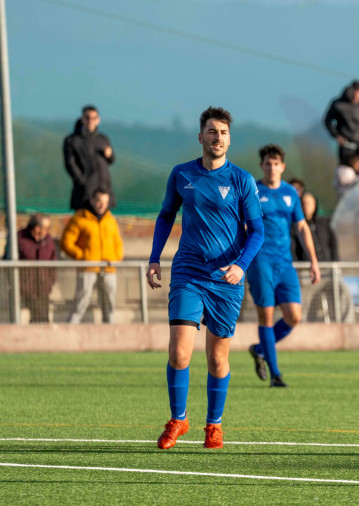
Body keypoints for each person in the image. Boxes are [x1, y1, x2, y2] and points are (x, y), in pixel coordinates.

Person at [146, 107, 264, 451]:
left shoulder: (242, 180)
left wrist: (241, 265)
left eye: (224, 132)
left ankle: (213, 426)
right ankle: (178, 419)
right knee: (180, 352)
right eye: (212, 132)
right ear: (201, 137)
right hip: (189, 273)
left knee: (217, 358)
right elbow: (166, 215)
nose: (218, 138)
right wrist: (154, 258)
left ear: (230, 138)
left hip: (227, 280)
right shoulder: (182, 174)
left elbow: (257, 230)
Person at [246, 144, 321, 388]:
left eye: (276, 163)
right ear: (261, 166)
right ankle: (276, 374)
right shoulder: (254, 191)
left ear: (283, 166)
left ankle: (259, 350)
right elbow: (244, 226)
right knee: (266, 318)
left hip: (285, 263)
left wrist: (313, 261)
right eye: (267, 163)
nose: (272, 167)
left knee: (294, 316)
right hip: (261, 262)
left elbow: (301, 227)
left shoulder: (290, 193)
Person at [61, 188, 124, 324]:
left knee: (109, 304)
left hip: (108, 269)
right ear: (92, 200)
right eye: (99, 201)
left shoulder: (110, 220)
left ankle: (110, 331)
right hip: (88, 268)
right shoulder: (79, 218)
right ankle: (71, 329)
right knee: (81, 301)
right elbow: (66, 242)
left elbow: (118, 243)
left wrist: (115, 257)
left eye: (105, 202)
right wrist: (83, 256)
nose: (102, 205)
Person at [6, 213, 57, 323]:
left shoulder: (48, 240)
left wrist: (50, 281)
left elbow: (53, 261)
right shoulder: (19, 238)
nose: (48, 231)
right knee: (37, 314)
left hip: (43, 286)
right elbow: (7, 258)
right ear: (37, 228)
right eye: (46, 228)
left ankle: (41, 336)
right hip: (27, 286)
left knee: (43, 316)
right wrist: (17, 282)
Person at [63, 105, 116, 211]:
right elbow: (70, 164)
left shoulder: (103, 139)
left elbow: (111, 160)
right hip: (84, 193)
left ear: (98, 120)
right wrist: (83, 182)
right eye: (87, 118)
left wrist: (109, 155)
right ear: (82, 119)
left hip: (104, 189)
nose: (90, 121)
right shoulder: (72, 140)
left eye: (94, 118)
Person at [323, 80, 359, 173]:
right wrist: (337, 135)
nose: (356, 97)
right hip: (347, 144)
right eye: (355, 94)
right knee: (346, 172)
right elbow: (327, 121)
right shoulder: (338, 104)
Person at [297, 191, 338, 262]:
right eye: (304, 204)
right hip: (306, 266)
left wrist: (335, 262)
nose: (306, 206)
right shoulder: (296, 226)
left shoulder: (324, 223)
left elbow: (333, 244)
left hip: (326, 264)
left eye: (309, 204)